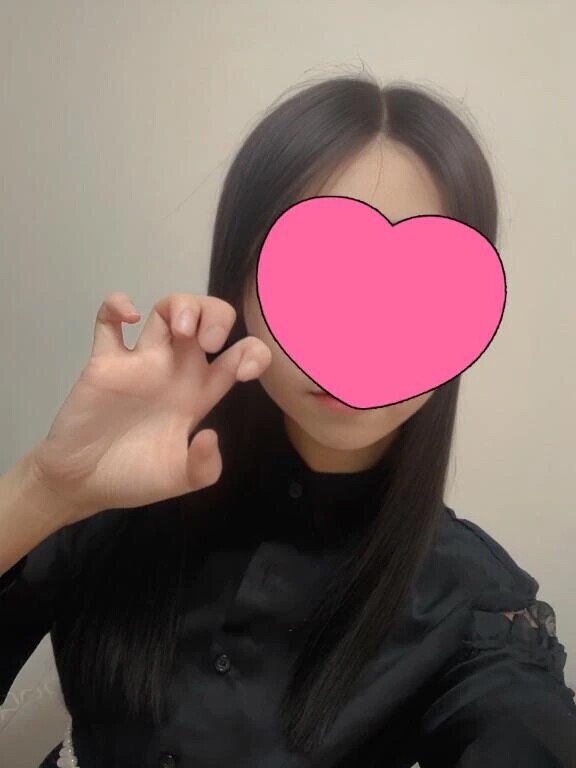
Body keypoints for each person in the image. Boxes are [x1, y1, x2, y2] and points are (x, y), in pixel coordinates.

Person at [1, 74, 575, 768]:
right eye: (318, 277)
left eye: (420, 295)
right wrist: (46, 489)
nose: (360, 341)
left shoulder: (475, 606)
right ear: (240, 280)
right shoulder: (121, 489)